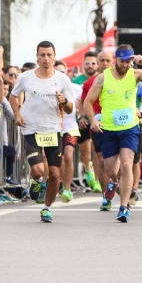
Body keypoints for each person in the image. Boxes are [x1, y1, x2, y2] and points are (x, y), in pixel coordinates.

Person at [84, 45, 142, 223]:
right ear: (116, 59)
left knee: (127, 165)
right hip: (108, 129)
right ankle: (114, 182)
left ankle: (124, 207)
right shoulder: (102, 78)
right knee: (111, 170)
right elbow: (88, 102)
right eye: (122, 61)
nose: (125, 65)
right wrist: (93, 120)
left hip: (130, 128)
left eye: (128, 61)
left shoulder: (135, 75)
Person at [9, 41, 74, 223]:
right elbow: (13, 96)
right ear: (37, 57)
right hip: (31, 129)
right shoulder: (26, 77)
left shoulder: (63, 79)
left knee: (54, 174)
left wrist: (64, 101)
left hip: (53, 130)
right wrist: (17, 114)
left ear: (54, 57)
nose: (46, 58)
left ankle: (46, 208)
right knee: (38, 170)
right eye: (42, 55)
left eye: (49, 55)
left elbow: (70, 109)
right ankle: (37, 181)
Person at [80, 50, 114, 208]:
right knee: (101, 159)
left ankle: (117, 183)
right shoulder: (89, 83)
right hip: (98, 125)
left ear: (113, 61)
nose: (105, 63)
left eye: (108, 60)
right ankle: (105, 197)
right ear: (98, 63)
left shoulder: (122, 79)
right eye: (102, 61)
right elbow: (84, 102)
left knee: (119, 162)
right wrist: (84, 118)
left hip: (119, 125)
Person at [54, 60, 84, 203]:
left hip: (71, 127)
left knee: (68, 156)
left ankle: (67, 189)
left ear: (67, 73)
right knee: (59, 161)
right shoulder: (49, 88)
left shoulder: (75, 88)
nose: (60, 75)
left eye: (62, 72)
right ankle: (58, 185)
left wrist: (82, 116)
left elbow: (84, 102)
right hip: (55, 128)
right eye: (57, 72)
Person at [73, 51, 98, 190]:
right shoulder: (75, 81)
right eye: (87, 63)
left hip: (99, 119)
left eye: (93, 63)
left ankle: (99, 178)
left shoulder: (101, 79)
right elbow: (76, 101)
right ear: (83, 64)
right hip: (83, 121)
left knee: (98, 152)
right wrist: (81, 116)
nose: (90, 66)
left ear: (97, 64)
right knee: (86, 152)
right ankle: (89, 171)